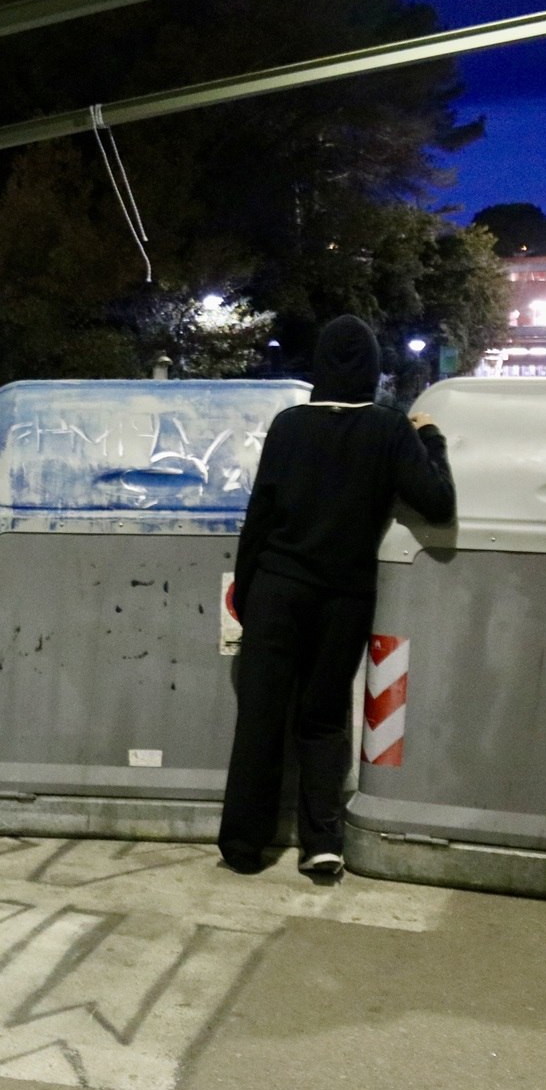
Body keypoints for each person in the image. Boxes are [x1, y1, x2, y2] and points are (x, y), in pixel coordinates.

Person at [217, 315, 456, 877]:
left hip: (277, 588)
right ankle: (322, 842)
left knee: (260, 717)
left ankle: (244, 846)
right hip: (343, 598)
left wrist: (247, 595)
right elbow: (438, 502)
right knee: (323, 718)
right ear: (372, 369)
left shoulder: (289, 426)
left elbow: (260, 519)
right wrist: (431, 438)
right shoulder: (389, 429)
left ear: (321, 366)